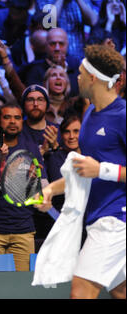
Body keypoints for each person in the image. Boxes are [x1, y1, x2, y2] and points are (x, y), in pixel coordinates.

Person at [35, 44, 125, 299]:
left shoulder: (123, 116)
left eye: (82, 72)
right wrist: (51, 188)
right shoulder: (89, 117)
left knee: (81, 292)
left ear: (94, 78)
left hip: (117, 219)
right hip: (98, 216)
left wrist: (104, 169)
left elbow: (97, 169)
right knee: (121, 291)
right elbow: (83, 171)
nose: (78, 76)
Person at [0, 104, 47, 271]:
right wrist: (1, 162)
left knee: (23, 288)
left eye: (17, 117)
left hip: (23, 229)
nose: (12, 122)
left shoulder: (31, 148)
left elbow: (41, 192)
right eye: (7, 117)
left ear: (22, 122)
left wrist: (33, 182)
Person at [19, 28, 81, 97]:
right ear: (46, 46)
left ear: (67, 46)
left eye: (61, 44)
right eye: (53, 44)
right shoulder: (34, 70)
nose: (57, 48)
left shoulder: (77, 68)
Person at [43, 113, 81, 211]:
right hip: (64, 215)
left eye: (76, 131)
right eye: (67, 132)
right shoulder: (54, 157)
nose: (71, 136)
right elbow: (64, 188)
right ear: (62, 135)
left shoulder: (92, 155)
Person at [20, 84, 60, 155]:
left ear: (47, 105)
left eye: (40, 100)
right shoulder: (17, 131)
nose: (35, 104)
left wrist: (55, 147)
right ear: (24, 105)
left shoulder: (56, 131)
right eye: (30, 100)